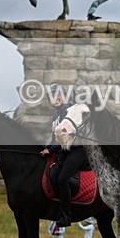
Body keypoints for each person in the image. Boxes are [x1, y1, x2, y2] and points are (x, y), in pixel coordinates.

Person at [41, 85, 84, 228]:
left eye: (59, 94)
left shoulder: (67, 110)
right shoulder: (55, 116)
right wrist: (47, 147)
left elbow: (66, 137)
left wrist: (51, 149)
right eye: (53, 96)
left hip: (76, 149)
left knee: (62, 178)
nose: (57, 98)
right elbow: (55, 139)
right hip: (64, 150)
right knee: (53, 176)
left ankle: (67, 215)